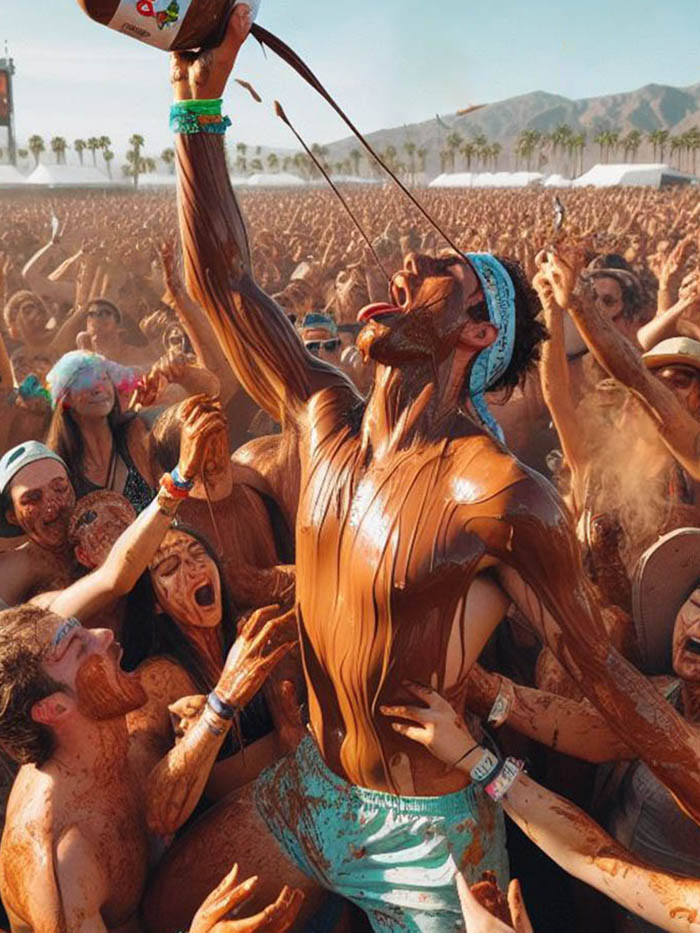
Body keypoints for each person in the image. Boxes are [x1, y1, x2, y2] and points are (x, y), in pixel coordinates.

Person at [149, 11, 700, 930]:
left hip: (430, 834)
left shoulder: (499, 492)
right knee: (166, 910)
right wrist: (194, 105)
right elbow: (227, 285)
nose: (407, 260)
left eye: (441, 267)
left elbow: (610, 679)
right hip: (311, 789)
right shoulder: (323, 411)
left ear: (479, 331)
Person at [0, 603, 302, 932]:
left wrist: (218, 721)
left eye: (83, 628)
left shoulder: (121, 734)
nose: (104, 635)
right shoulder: (63, 859)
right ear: (54, 709)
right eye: (79, 646)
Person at [45, 351, 155, 512]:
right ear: (66, 399)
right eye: (85, 382)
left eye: (104, 378)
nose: (98, 388)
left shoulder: (136, 433)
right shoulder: (60, 472)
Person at [0, 441, 77, 606]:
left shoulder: (103, 531)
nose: (52, 505)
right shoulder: (11, 570)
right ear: (12, 516)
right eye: (33, 498)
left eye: (60, 488)